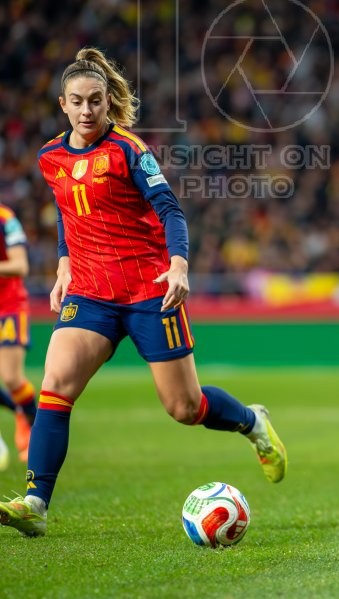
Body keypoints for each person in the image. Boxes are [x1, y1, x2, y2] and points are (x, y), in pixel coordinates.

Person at [0, 48, 287, 538]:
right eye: (77, 101)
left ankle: (251, 421)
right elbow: (70, 217)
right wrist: (65, 265)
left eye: (95, 100)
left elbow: (171, 211)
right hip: (90, 292)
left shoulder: (129, 151)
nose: (87, 110)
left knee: (184, 407)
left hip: (149, 290)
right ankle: (36, 502)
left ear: (108, 101)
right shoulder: (50, 157)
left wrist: (177, 266)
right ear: (62, 105)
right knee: (56, 385)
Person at [0, 202, 37, 464]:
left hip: (8, 306)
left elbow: (20, 266)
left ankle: (33, 425)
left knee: (11, 378)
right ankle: (21, 411)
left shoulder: (6, 218)